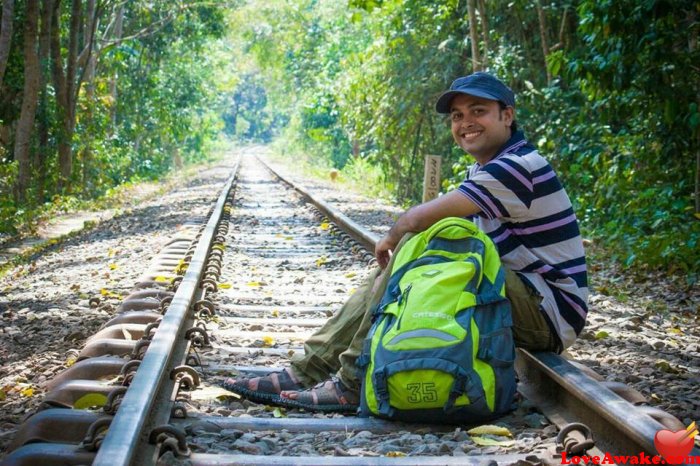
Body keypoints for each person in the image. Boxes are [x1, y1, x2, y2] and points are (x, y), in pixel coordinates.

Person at [221, 72, 589, 413]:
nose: (465, 123)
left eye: (479, 111)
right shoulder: (488, 168)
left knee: (417, 241)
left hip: (549, 311)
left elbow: (418, 219)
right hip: (521, 298)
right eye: (458, 116)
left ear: (507, 116)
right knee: (413, 253)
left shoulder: (519, 166)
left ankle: (348, 381)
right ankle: (308, 371)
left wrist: (394, 237)